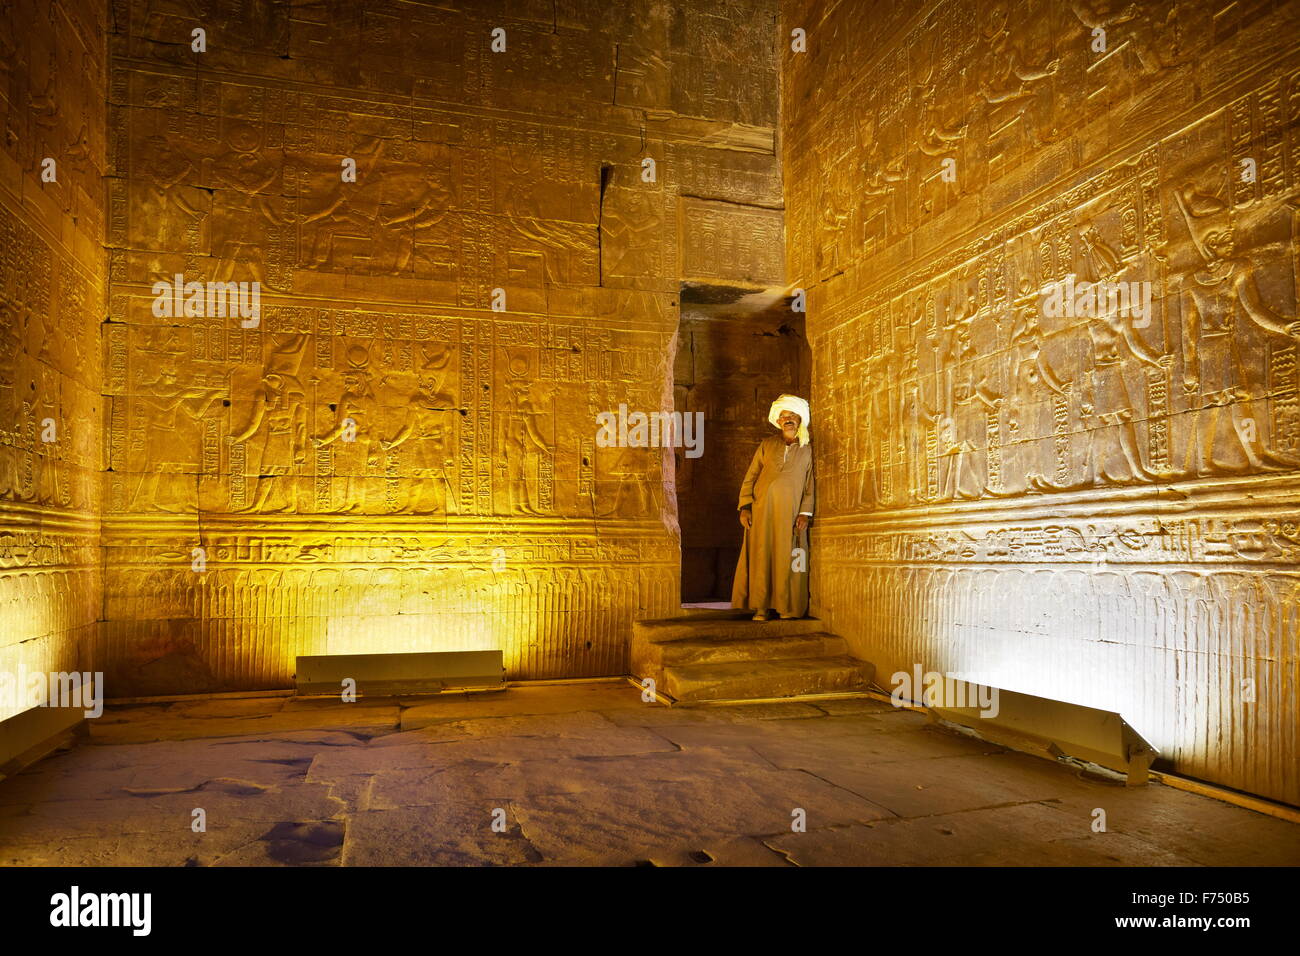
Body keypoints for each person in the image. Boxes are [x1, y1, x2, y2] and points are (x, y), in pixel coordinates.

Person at [732, 395, 815, 620]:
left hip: (791, 516)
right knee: (761, 556)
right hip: (762, 513)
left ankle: (789, 607)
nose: (787, 419)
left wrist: (805, 512)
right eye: (783, 416)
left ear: (800, 419)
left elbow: (810, 483)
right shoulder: (767, 445)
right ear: (778, 422)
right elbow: (750, 477)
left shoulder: (807, 449)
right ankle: (761, 607)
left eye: (792, 415)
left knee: (795, 558)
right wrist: (745, 506)